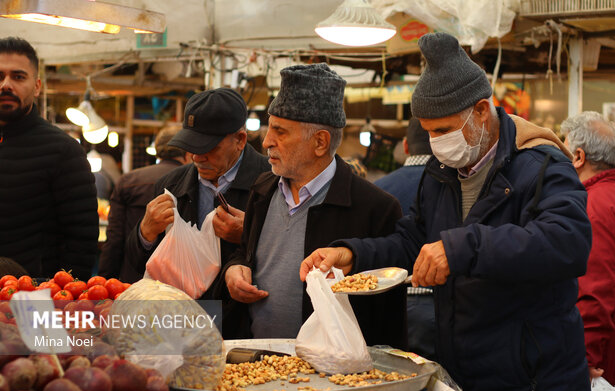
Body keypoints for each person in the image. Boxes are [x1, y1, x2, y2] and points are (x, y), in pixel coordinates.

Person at [300, 33, 592, 391]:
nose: (436, 143)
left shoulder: (541, 166)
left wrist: (460, 249)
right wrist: (351, 254)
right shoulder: (442, 171)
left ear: (482, 111)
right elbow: (411, 242)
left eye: (443, 130)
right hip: (465, 380)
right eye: (429, 131)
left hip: (535, 387)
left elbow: (566, 242)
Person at [222, 63, 407, 348]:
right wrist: (234, 270)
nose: (267, 141)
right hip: (259, 363)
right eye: (270, 129)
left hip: (331, 378)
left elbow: (388, 318)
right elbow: (244, 253)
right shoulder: (262, 190)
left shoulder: (376, 208)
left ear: (320, 142)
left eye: (280, 132)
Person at [124, 88, 271, 290]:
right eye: (191, 146)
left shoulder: (273, 183)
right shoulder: (170, 185)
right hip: (183, 314)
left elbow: (294, 258)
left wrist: (250, 236)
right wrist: (145, 233)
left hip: (245, 316)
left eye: (208, 147)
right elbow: (138, 263)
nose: (197, 157)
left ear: (239, 140)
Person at [0, 37, 98, 279]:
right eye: (0, 76)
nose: (6, 84)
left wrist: (62, 302)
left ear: (37, 86)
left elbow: (81, 240)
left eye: (18, 76)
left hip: (32, 299)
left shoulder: (63, 151)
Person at [561, 111, 615, 386]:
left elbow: (596, 288)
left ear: (578, 157)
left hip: (608, 361)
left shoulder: (594, 206)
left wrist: (584, 358)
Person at [374, 117, 435, 360]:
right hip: (440, 306)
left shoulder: (378, 190)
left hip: (392, 307)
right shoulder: (455, 185)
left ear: (406, 146)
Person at [98, 125, 191, 281]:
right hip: (178, 284)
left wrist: (105, 281)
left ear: (157, 149)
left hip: (132, 280)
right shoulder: (194, 184)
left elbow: (114, 240)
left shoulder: (128, 181)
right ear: (188, 152)